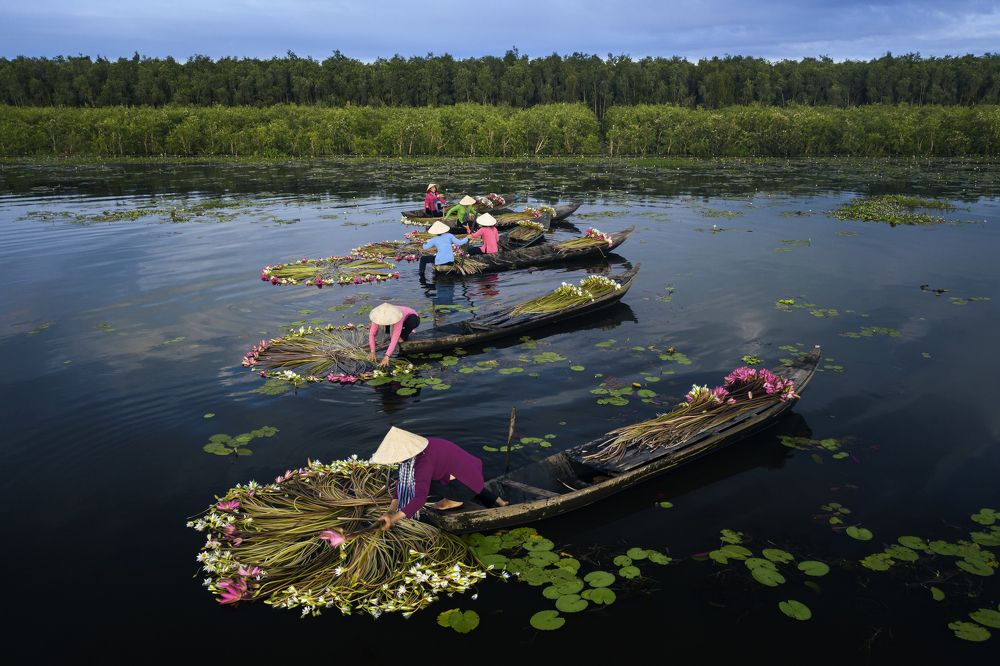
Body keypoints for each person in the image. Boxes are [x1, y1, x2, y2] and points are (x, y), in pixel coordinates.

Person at [372, 426, 508, 531]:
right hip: (473, 475)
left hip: (464, 486)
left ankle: (455, 500)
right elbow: (401, 481)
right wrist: (391, 510)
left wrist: (394, 519)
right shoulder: (427, 444)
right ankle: (500, 501)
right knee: (470, 482)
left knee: (420, 485)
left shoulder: (423, 464)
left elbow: (420, 498)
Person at [368, 303, 420, 367]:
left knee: (400, 336)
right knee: (387, 332)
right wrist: (372, 351)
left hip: (412, 318)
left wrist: (387, 355)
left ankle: (404, 334)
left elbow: (395, 337)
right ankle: (397, 331)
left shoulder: (397, 316)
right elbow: (372, 334)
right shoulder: (378, 317)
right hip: (400, 321)